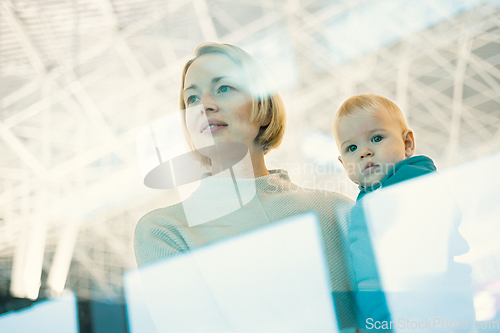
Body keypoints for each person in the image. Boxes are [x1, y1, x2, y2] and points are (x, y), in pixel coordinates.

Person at [134, 42, 357, 329]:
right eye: (191, 99)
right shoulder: (165, 231)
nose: (204, 105)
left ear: (263, 110)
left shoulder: (335, 211)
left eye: (223, 88)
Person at [333, 93, 473, 330]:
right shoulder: (368, 202)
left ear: (407, 143)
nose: (364, 152)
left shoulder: (413, 185)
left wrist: (380, 321)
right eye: (352, 147)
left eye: (376, 138)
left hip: (416, 312)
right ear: (342, 163)